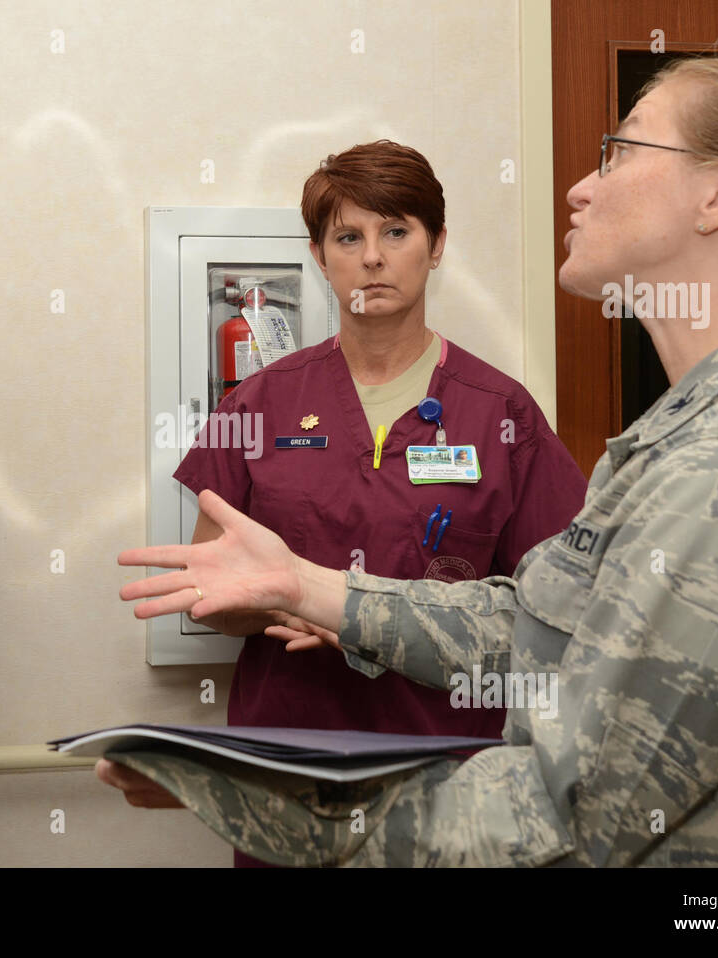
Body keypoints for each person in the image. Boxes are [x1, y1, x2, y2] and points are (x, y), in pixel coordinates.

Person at [102, 55, 718, 866]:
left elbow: (573, 819)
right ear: (319, 255)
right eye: (348, 236)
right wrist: (311, 590)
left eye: (623, 150)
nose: (581, 187)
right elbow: (552, 628)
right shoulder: (692, 436)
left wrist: (250, 792)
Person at [175, 141, 585, 864]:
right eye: (348, 237)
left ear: (436, 247)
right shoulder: (259, 403)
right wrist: (304, 603)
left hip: (448, 779)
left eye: (396, 232)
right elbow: (208, 596)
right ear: (319, 255)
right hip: (290, 776)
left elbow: (560, 618)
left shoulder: (502, 413)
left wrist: (372, 617)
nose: (373, 257)